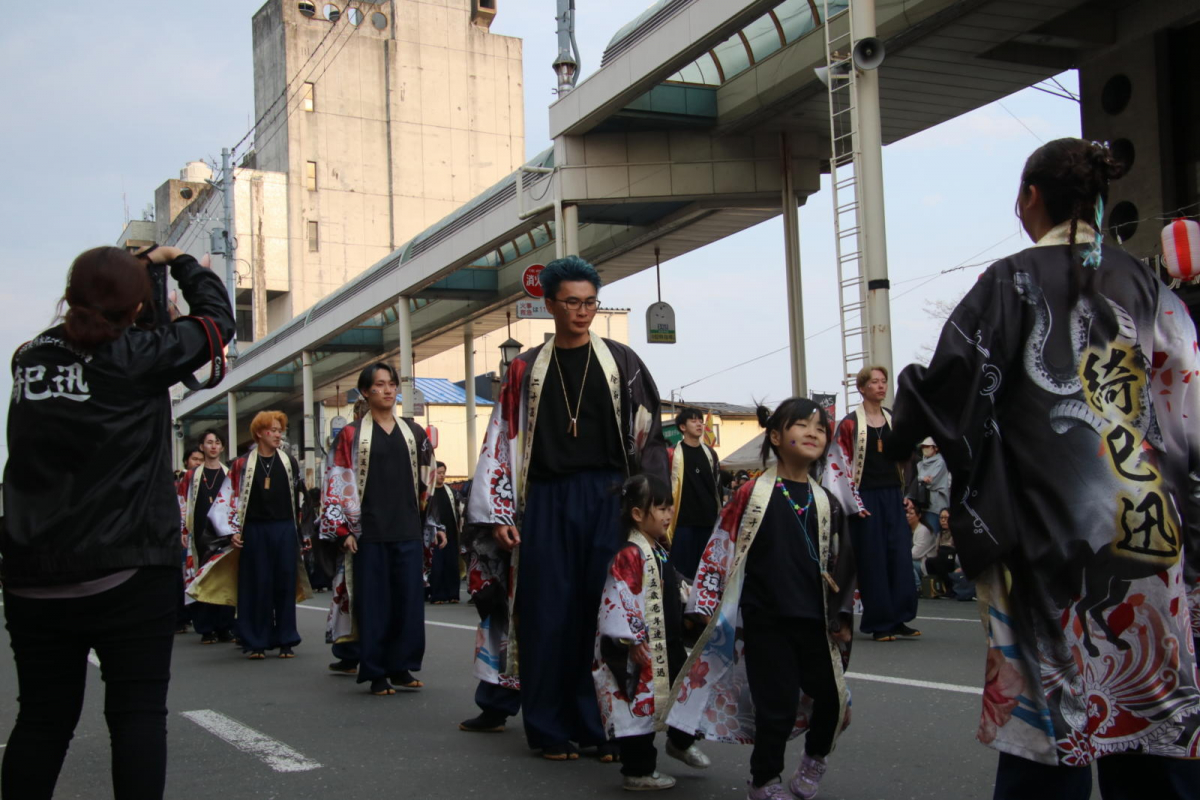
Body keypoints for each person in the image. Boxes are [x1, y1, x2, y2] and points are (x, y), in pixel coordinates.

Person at [885, 138, 1200, 798]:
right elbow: (1187, 407)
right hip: (1149, 538)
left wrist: (900, 431)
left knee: (1051, 730)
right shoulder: (1147, 286)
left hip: (1044, 543)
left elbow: (951, 385)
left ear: (1030, 197)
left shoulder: (1012, 280)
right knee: (1149, 714)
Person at [2, 244, 233, 800]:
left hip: (33, 574)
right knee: (135, 717)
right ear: (134, 310)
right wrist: (180, 263)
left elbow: (99, 330)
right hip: (129, 568)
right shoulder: (140, 356)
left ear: (69, 296)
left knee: (41, 720)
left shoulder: (28, 358)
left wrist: (138, 284)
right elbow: (217, 323)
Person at [466, 255, 669, 761]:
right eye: (573, 302)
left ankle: (601, 725)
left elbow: (648, 438)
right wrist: (500, 515)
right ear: (550, 305)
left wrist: (651, 508)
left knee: (604, 613)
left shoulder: (622, 362)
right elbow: (500, 440)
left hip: (609, 499)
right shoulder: (523, 368)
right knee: (546, 613)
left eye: (590, 302)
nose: (583, 311)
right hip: (547, 500)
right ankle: (549, 728)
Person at [667, 398, 856, 800]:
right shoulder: (752, 492)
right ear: (774, 436)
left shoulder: (826, 501)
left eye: (820, 428)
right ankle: (764, 781)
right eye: (801, 425)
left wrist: (844, 616)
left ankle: (814, 759)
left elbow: (840, 565)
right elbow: (722, 542)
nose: (812, 433)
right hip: (766, 618)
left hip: (814, 621)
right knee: (777, 707)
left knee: (834, 698)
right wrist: (702, 604)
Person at [321, 362, 443, 695]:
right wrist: (343, 530)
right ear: (365, 391)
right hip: (369, 534)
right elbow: (335, 481)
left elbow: (428, 482)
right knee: (374, 604)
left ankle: (401, 666)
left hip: (407, 529)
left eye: (392, 384)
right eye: (379, 384)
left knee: (408, 603)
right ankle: (374, 671)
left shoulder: (414, 433)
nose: (388, 390)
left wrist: (433, 523)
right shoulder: (349, 435)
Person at [594, 474, 710, 792]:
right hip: (640, 648)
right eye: (661, 508)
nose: (668, 514)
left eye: (670, 507)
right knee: (638, 708)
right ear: (637, 514)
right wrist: (630, 640)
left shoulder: (656, 549)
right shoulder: (629, 554)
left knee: (682, 691)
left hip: (667, 641)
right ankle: (638, 769)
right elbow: (619, 598)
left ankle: (681, 741)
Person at [192, 410, 311, 660]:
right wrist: (231, 531)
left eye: (281, 430)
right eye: (273, 430)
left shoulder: (288, 461)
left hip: (283, 528)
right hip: (254, 530)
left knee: (284, 584)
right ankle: (256, 640)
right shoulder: (241, 464)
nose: (279, 434)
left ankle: (286, 639)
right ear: (259, 433)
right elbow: (227, 499)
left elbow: (300, 498)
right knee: (257, 584)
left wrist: (302, 531)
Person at [827, 365, 920, 642]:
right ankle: (880, 621)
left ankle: (900, 616)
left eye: (884, 382)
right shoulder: (850, 424)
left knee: (900, 554)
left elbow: (909, 459)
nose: (881, 386)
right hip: (865, 497)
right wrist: (853, 503)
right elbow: (838, 466)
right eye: (875, 382)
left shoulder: (893, 419)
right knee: (873, 559)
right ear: (862, 388)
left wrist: (909, 494)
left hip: (893, 493)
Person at [178, 429, 236, 644]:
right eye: (209, 442)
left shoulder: (230, 473)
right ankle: (205, 628)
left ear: (221, 447)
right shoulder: (191, 476)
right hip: (199, 533)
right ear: (201, 447)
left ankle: (225, 627)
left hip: (223, 534)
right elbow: (182, 503)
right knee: (200, 577)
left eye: (217, 442)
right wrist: (183, 530)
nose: (213, 446)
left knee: (224, 577)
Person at [666, 408, 722, 581]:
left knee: (707, 574)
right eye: (693, 421)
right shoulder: (672, 454)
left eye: (700, 420)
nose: (699, 424)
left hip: (708, 522)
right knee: (682, 574)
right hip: (683, 523)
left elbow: (717, 487)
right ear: (682, 427)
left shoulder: (710, 453)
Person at [428, 462, 462, 604]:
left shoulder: (451, 492)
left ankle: (453, 594)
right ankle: (438, 595)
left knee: (453, 566)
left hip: (452, 534)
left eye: (443, 473)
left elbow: (459, 511)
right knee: (437, 566)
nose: (442, 475)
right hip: (434, 535)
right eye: (439, 473)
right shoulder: (428, 493)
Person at [914, 437, 949, 534]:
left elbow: (931, 483)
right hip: (923, 505)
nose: (924, 448)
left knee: (933, 534)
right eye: (923, 446)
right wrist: (922, 479)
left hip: (936, 507)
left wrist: (920, 479)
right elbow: (916, 481)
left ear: (936, 448)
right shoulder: (920, 464)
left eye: (927, 446)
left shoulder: (941, 462)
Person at [908, 503, 936, 592]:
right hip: (916, 560)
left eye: (911, 514)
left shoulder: (923, 530)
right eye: (906, 513)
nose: (907, 516)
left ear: (919, 516)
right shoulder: (908, 529)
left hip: (925, 563)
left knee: (904, 562)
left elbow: (915, 554)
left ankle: (917, 586)